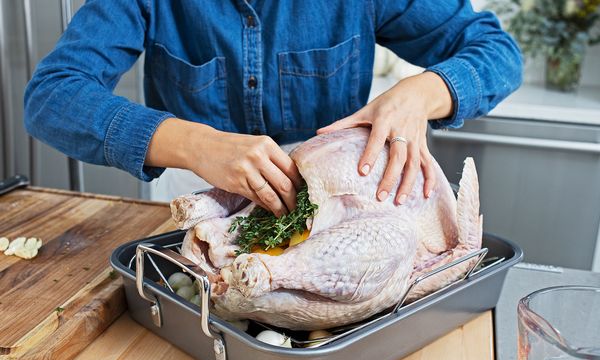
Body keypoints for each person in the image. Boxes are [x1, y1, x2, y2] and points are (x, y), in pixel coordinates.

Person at [24, 0, 522, 216]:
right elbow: (51, 95)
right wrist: (195, 143)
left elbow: (497, 52)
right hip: (195, 201)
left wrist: (423, 92)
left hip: (341, 206)